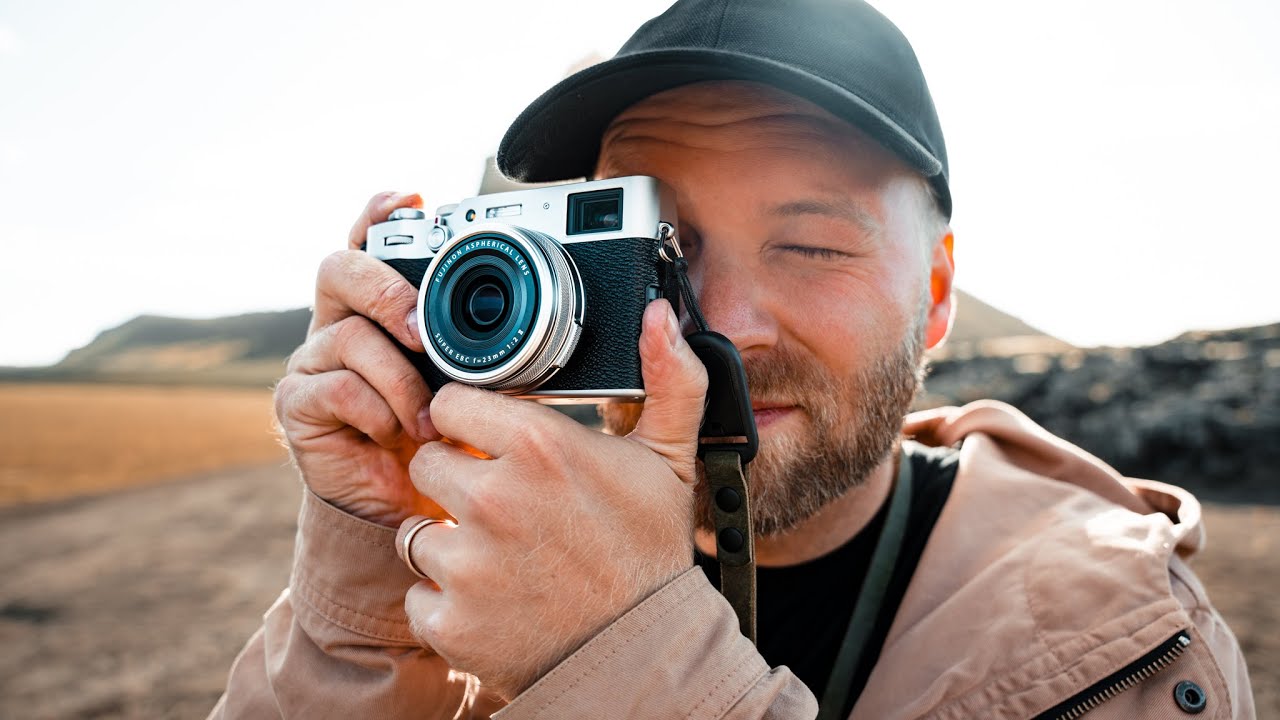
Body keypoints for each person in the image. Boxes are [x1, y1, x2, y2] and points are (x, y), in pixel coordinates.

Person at [212, 0, 1255, 717]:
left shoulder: (1129, 653)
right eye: (652, 250)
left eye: (808, 245)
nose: (719, 323)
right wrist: (363, 603)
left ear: (935, 295)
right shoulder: (468, 581)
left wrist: (621, 657)